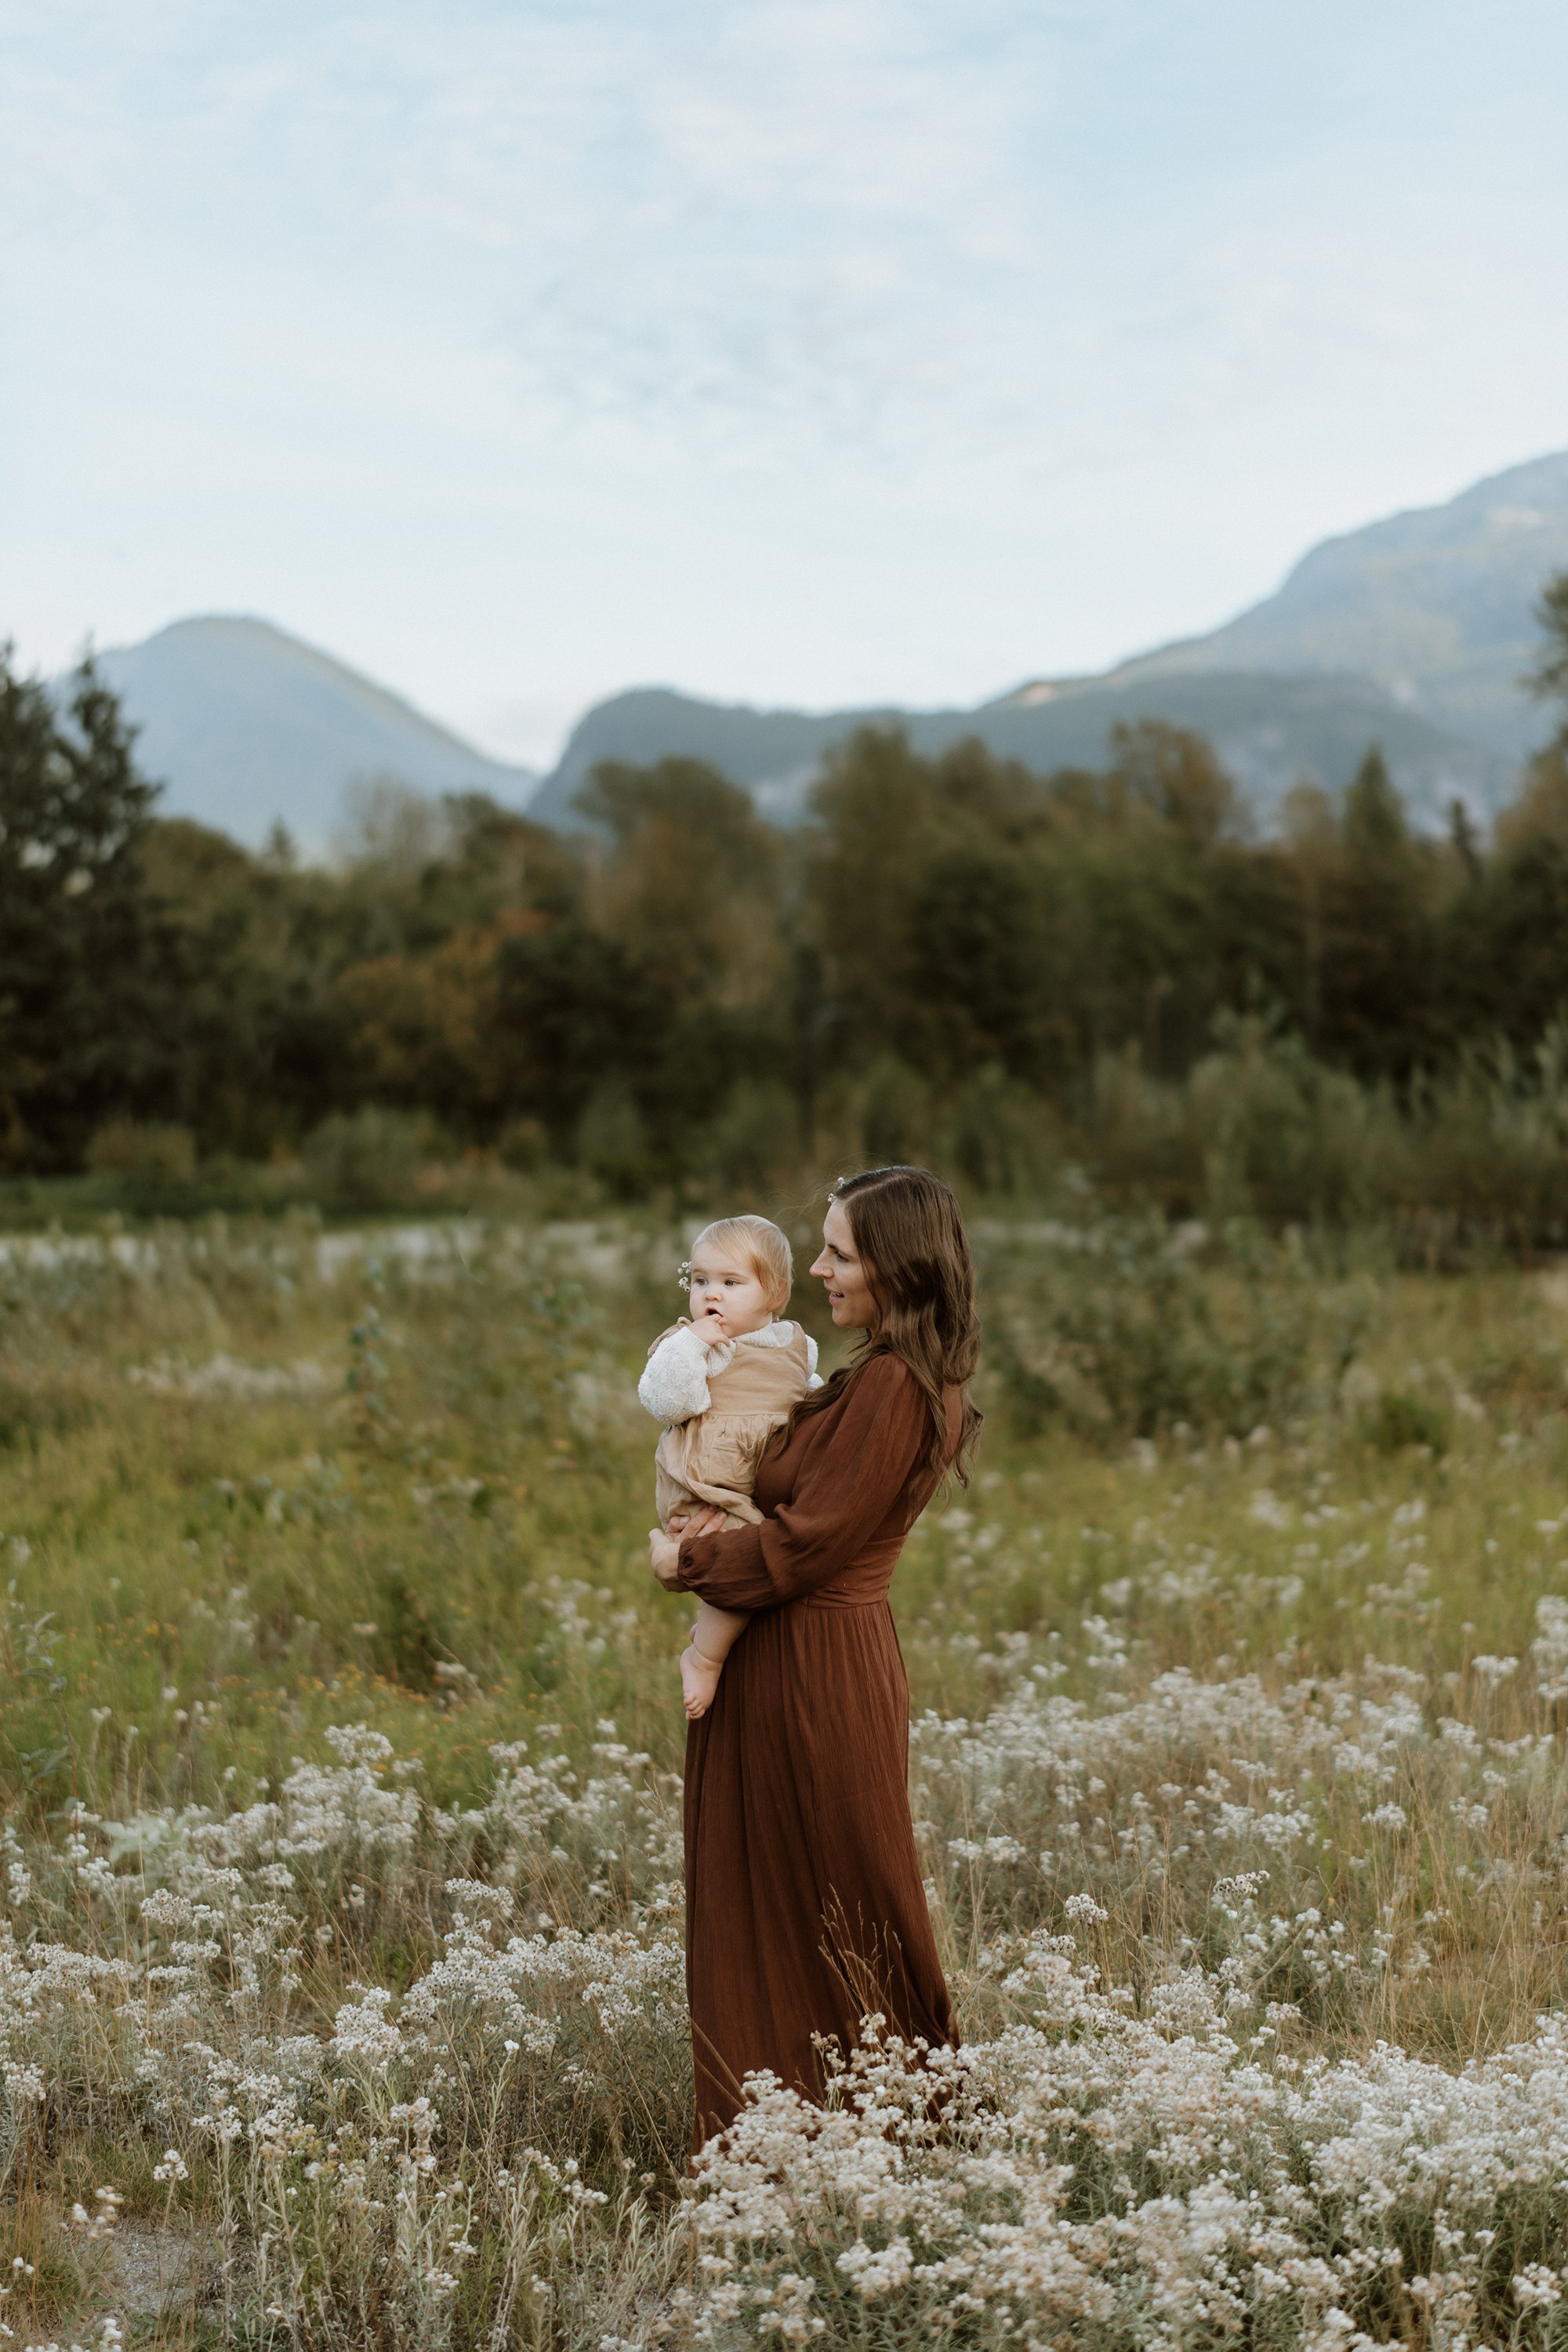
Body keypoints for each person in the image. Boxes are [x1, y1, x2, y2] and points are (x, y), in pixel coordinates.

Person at [648, 1164, 982, 2147]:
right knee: (775, 1898)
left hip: (815, 1670)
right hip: (786, 1662)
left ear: (893, 1264)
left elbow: (803, 1543)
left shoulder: (892, 1387)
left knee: (844, 1894)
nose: (822, 1270)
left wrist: (687, 1561)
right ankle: (791, 2133)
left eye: (838, 1252)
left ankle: (907, 2128)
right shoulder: (877, 1373)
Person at [637, 1214, 821, 1720]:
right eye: (700, 1281)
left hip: (754, 1480)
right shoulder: (695, 1346)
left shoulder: (796, 1346)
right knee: (746, 1552)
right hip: (706, 1482)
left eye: (730, 1282)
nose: (710, 1295)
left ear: (775, 1294)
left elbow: (808, 1403)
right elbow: (667, 1402)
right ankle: (704, 1656)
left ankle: (710, 1624)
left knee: (759, 1551)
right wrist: (693, 1344)